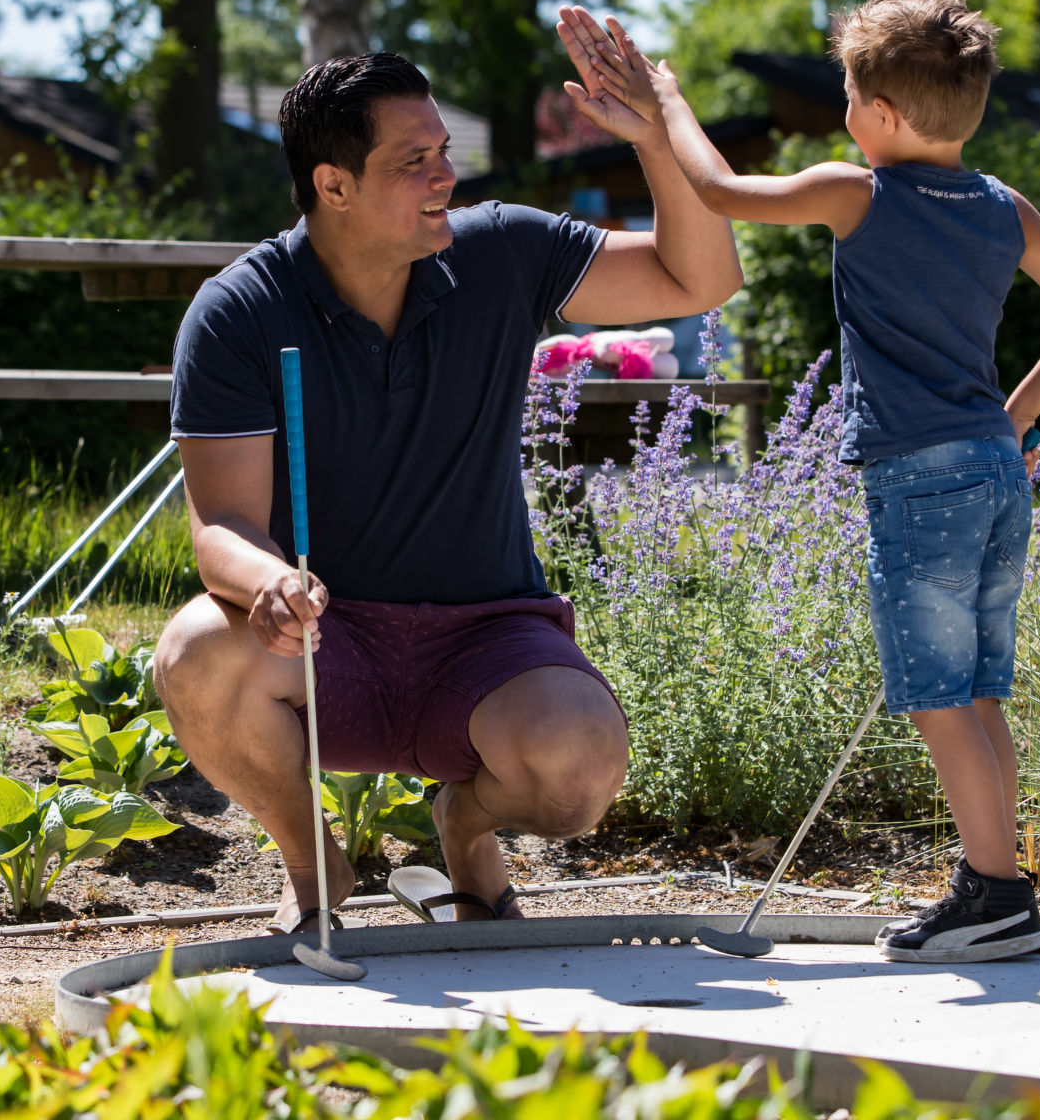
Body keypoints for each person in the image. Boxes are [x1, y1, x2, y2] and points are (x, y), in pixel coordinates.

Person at [567, 0, 1040, 964]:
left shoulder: (857, 192)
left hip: (919, 478)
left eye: (851, 97)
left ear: (886, 117)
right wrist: (1014, 418)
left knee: (936, 697)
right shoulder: (1001, 207)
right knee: (976, 691)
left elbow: (721, 192)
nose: (844, 114)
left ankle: (993, 895)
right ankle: (994, 884)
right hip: (992, 471)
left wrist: (664, 101)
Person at [154, 46, 745, 935]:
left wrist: (657, 140)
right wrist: (266, 582)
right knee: (196, 649)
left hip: (487, 641)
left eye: (443, 152)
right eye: (413, 161)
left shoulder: (502, 251)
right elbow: (222, 527)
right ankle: (316, 872)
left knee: (579, 770)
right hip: (326, 642)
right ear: (334, 184)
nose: (446, 176)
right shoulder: (240, 310)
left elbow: (703, 280)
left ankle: (462, 828)